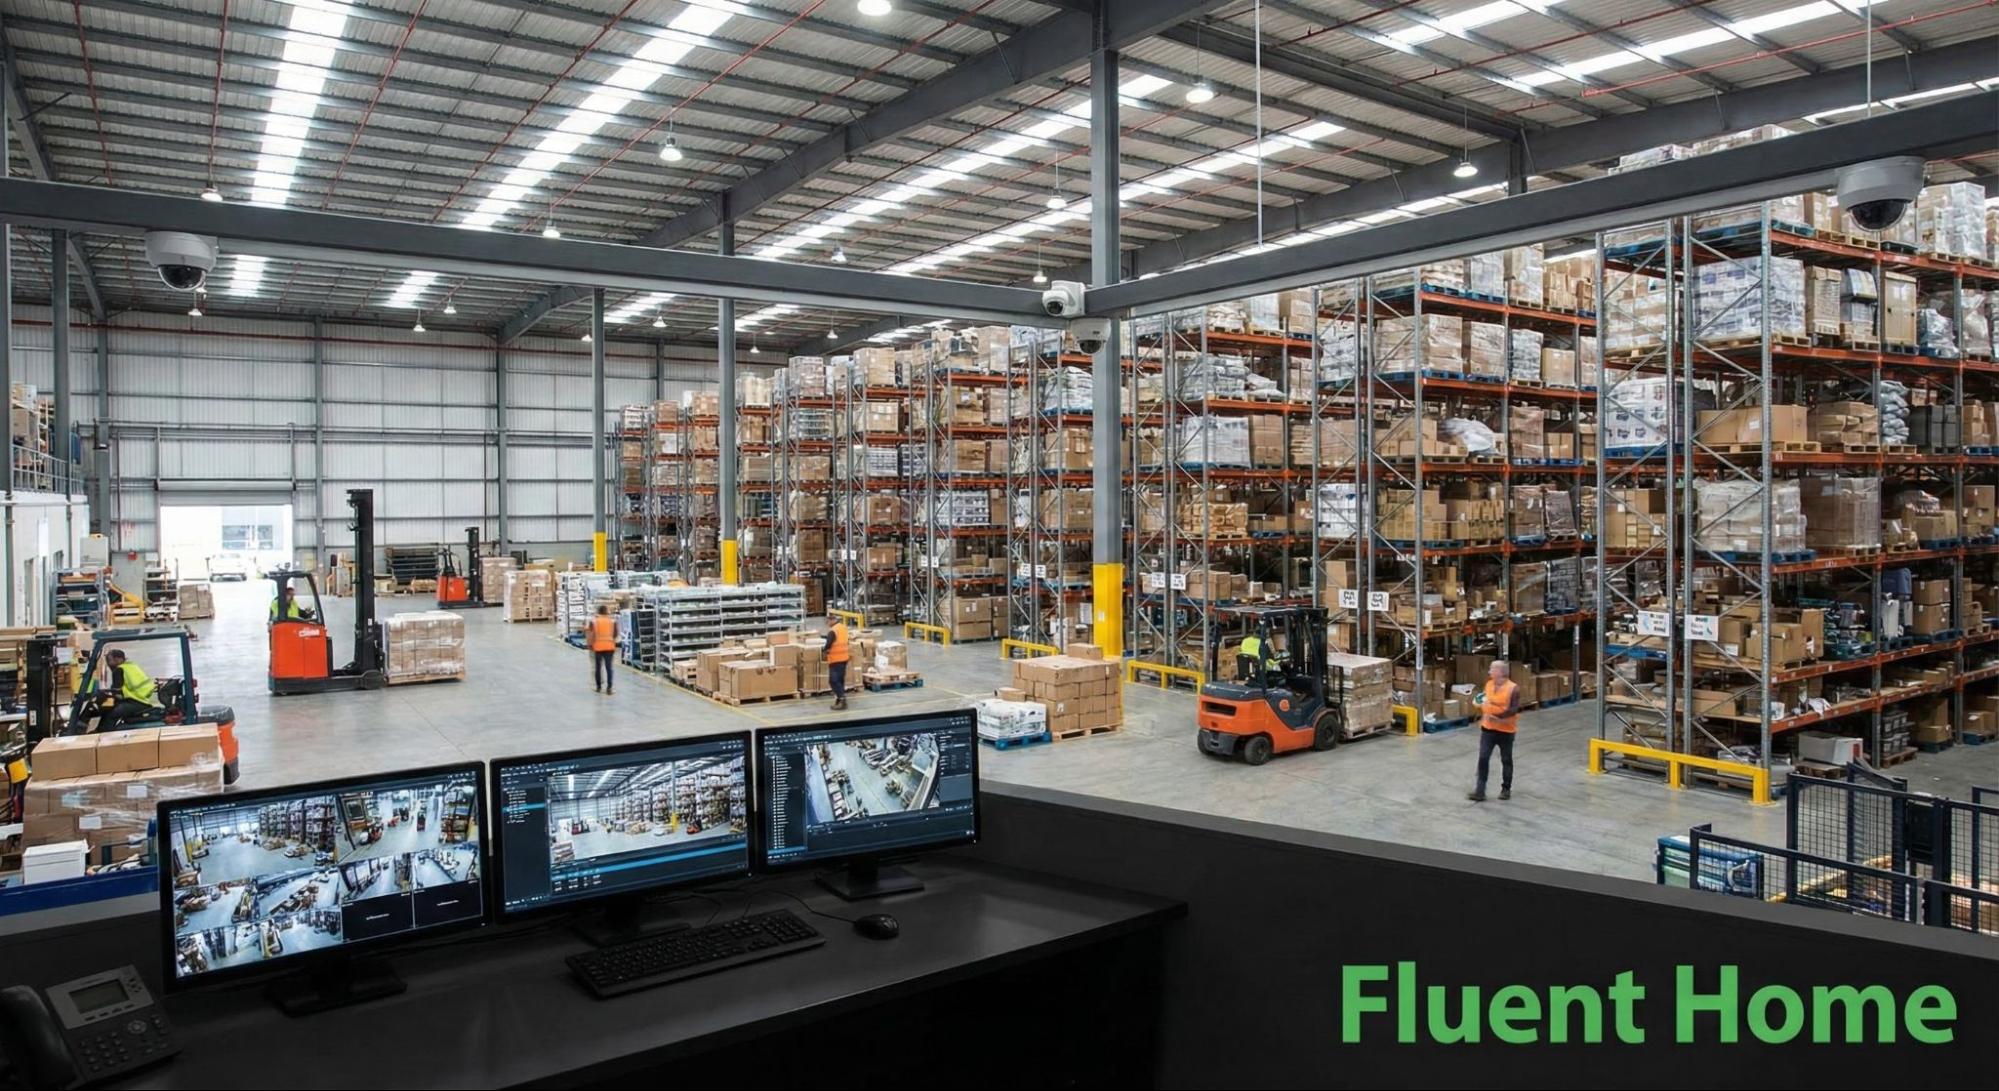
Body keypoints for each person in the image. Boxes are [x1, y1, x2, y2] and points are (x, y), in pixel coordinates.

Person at [1469, 661, 1520, 802]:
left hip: (1506, 730)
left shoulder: (1513, 688)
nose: (1489, 671)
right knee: (1483, 758)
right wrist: (1479, 702)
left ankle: (1506, 789)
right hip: (1488, 729)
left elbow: (1514, 709)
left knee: (1506, 759)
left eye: (1492, 669)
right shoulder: (1489, 684)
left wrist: (1498, 717)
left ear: (1500, 671)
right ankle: (1480, 791)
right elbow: (1485, 698)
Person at [85, 649, 164, 731]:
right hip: (143, 699)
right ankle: (100, 730)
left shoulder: (119, 670)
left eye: (109, 660)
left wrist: (103, 695)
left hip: (136, 701)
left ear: (118, 659)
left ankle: (103, 735)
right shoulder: (132, 665)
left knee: (111, 714)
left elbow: (116, 691)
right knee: (109, 708)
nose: (108, 664)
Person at [823, 613, 851, 711]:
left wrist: (824, 650)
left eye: (827, 621)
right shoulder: (843, 628)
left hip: (835, 659)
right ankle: (839, 699)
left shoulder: (833, 631)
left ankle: (842, 700)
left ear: (831, 620)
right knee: (840, 680)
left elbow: (828, 645)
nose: (827, 623)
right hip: (844, 658)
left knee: (833, 681)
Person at [589, 604, 617, 694]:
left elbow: (591, 634)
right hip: (609, 646)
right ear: (607, 611)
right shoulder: (613, 621)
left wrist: (590, 644)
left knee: (598, 667)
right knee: (609, 668)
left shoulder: (594, 621)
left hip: (598, 647)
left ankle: (598, 687)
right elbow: (615, 634)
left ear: (598, 612)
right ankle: (609, 688)